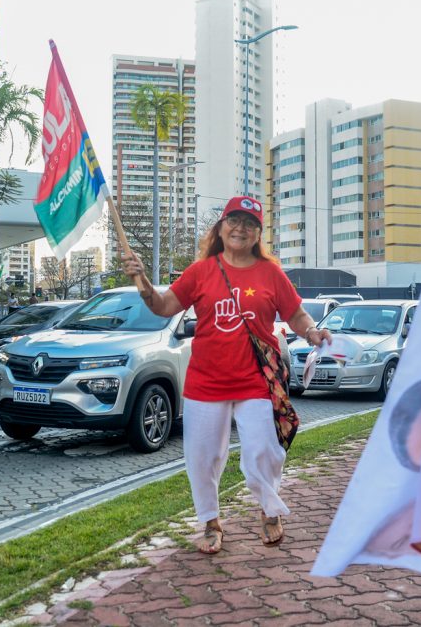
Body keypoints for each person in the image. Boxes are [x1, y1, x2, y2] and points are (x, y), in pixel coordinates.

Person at [122, 195, 332, 554]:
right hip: (206, 382)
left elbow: (296, 314)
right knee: (203, 457)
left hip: (255, 381)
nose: (240, 228)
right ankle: (210, 521)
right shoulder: (201, 271)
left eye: (249, 224)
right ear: (220, 228)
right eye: (233, 221)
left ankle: (269, 509)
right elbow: (162, 307)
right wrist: (141, 279)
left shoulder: (270, 273)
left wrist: (312, 331)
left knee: (265, 449)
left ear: (257, 234)